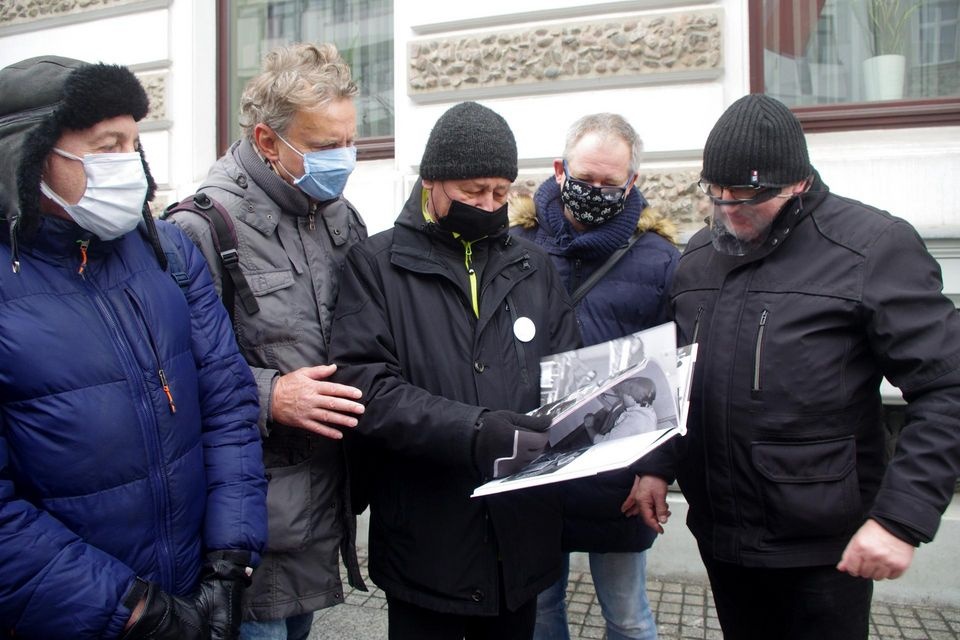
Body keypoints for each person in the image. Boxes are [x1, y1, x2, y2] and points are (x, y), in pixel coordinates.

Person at [630, 94, 960, 640]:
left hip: (823, 549)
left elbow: (947, 387)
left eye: (749, 196)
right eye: (717, 193)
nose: (730, 210)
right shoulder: (695, 260)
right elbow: (677, 379)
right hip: (722, 535)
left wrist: (900, 519)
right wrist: (657, 465)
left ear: (798, 183)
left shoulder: (871, 248)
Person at [0, 56, 267, 639]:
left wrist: (229, 559)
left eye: (134, 142)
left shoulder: (166, 254)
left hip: (194, 590)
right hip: (71, 617)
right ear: (27, 155)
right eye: (106, 144)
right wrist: (132, 613)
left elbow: (228, 408)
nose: (130, 162)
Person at [328, 101, 582, 640]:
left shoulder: (534, 267)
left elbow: (569, 374)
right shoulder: (376, 265)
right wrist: (477, 431)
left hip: (521, 535)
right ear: (431, 183)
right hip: (427, 537)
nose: (489, 204)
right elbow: (365, 387)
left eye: (501, 192)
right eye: (472, 191)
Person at [166, 43, 367, 640]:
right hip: (246, 507)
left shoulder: (337, 212)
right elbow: (164, 373)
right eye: (326, 145)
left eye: (350, 141)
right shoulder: (199, 227)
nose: (344, 158)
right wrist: (269, 395)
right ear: (267, 140)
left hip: (319, 498)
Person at [510, 112, 679, 640]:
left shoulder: (660, 260)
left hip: (620, 469)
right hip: (537, 460)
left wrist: (657, 469)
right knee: (539, 609)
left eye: (610, 183)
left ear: (632, 183)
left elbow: (675, 371)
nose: (596, 191)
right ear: (560, 170)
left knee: (628, 616)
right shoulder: (514, 246)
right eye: (586, 180)